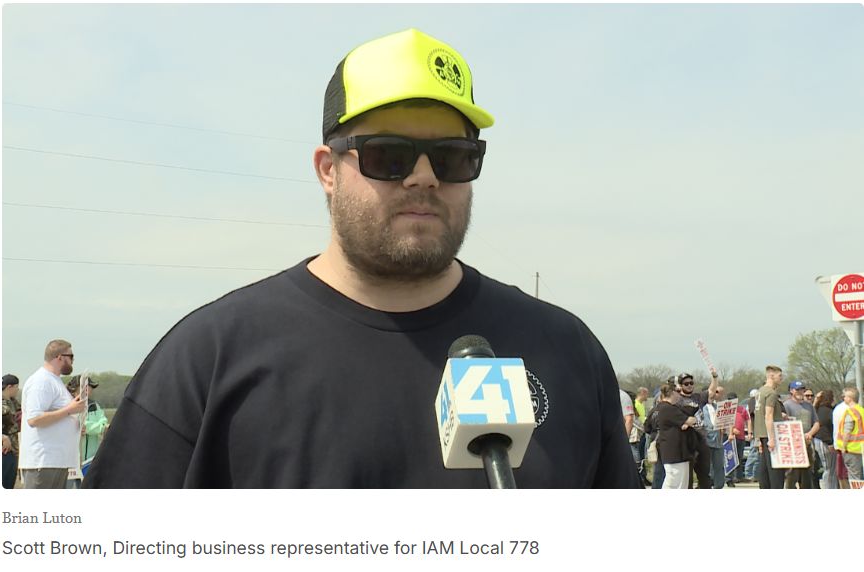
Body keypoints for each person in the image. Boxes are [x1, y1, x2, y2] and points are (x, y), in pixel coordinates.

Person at [84, 29, 641, 489]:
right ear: (328, 169)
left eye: (453, 157)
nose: (423, 177)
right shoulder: (207, 359)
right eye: (388, 155)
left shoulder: (566, 351)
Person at [18, 340, 86, 489]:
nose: (73, 360)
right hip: (43, 462)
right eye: (71, 356)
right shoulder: (41, 382)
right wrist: (69, 410)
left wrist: (75, 422)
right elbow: (34, 419)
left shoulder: (54, 380)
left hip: (55, 461)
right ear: (60, 357)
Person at [674, 370, 719, 488]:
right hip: (685, 439)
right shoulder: (677, 400)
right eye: (686, 384)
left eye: (691, 383)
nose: (689, 385)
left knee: (704, 472)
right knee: (687, 474)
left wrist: (715, 377)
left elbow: (711, 391)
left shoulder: (698, 397)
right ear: (680, 385)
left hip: (700, 437)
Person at [655, 383, 697, 489]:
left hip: (679, 451)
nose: (680, 394)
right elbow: (690, 420)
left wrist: (686, 423)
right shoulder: (667, 408)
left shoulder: (666, 407)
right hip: (673, 452)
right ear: (672, 393)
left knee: (682, 483)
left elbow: (681, 423)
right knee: (673, 483)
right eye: (678, 391)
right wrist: (693, 419)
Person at [753, 365, 786, 489]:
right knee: (775, 471)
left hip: (761, 434)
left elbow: (758, 414)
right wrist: (772, 439)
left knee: (764, 468)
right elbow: (768, 415)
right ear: (771, 375)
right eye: (779, 376)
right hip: (770, 435)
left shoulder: (760, 392)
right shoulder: (771, 393)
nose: (781, 378)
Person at [782, 380, 819, 489]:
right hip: (793, 445)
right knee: (792, 474)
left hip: (807, 443)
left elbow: (816, 423)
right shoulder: (786, 405)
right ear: (791, 391)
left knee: (807, 474)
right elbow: (783, 425)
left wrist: (810, 434)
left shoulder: (809, 406)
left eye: (802, 389)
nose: (800, 392)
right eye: (797, 390)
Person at [67, 375, 108, 464]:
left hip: (91, 460)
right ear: (74, 390)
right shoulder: (67, 405)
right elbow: (77, 424)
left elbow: (104, 424)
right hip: (71, 461)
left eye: (89, 388)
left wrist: (88, 427)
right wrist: (97, 428)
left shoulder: (94, 405)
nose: (89, 390)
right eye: (85, 387)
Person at [836, 387, 864, 481]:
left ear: (850, 398)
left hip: (851, 449)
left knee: (854, 478)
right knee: (859, 476)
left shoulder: (850, 412)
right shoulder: (861, 410)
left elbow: (847, 432)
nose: (843, 398)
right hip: (860, 448)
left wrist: (843, 447)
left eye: (844, 396)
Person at [702, 386, 727, 489]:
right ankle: (707, 483)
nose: (713, 395)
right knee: (707, 465)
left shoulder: (718, 407)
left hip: (718, 439)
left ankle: (719, 485)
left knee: (719, 464)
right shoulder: (701, 407)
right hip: (706, 438)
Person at [812, 390, 837, 489]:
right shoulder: (826, 411)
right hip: (824, 442)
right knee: (829, 468)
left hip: (819, 440)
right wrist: (830, 443)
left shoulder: (818, 409)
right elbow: (824, 428)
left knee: (829, 468)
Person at [2, 374, 22, 489]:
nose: (17, 390)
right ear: (10, 387)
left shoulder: (14, 402)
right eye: (16, 387)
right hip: (4, 451)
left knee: (10, 483)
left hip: (13, 450)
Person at [726, 391, 750, 485]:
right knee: (731, 458)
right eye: (730, 400)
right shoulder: (726, 410)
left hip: (741, 437)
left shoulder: (742, 409)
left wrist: (749, 432)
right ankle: (730, 478)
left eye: (733, 400)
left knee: (739, 457)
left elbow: (748, 420)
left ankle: (739, 476)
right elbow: (725, 423)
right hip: (731, 437)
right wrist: (732, 430)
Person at [742, 388, 760, 481]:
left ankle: (754, 474)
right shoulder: (752, 402)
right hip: (756, 432)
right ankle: (749, 473)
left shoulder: (750, 404)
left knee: (757, 455)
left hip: (756, 431)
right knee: (754, 453)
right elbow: (753, 414)